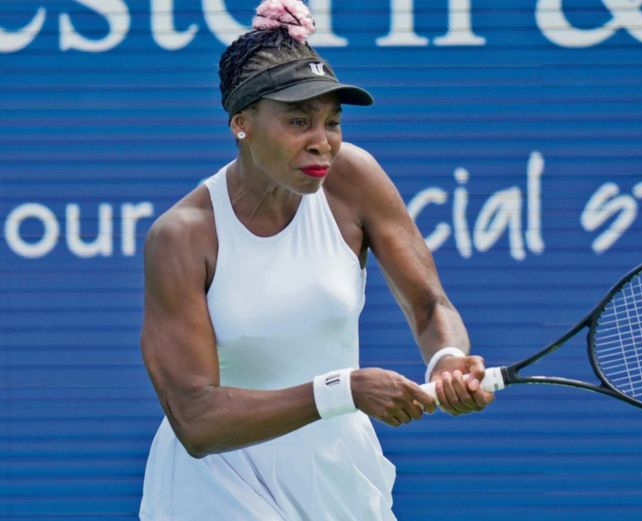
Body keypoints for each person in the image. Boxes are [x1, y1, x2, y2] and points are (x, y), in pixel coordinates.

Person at [138, 1, 493, 518]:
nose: (322, 143)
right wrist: (343, 389)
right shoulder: (182, 236)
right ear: (241, 124)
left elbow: (429, 305)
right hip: (216, 485)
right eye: (298, 121)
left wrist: (447, 358)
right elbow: (196, 420)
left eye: (332, 122)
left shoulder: (355, 178)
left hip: (337, 475)